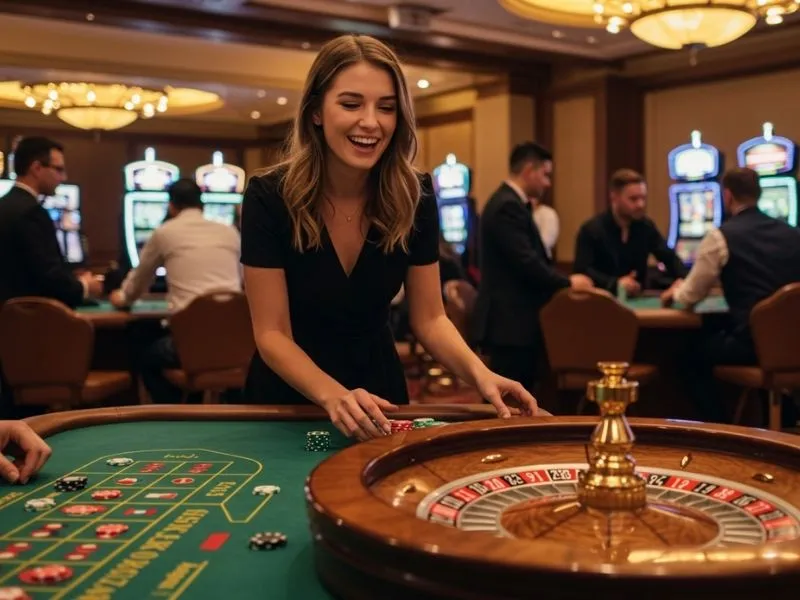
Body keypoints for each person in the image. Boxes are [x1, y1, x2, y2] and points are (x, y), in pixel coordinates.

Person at [240, 34, 539, 441]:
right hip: (290, 398)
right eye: (350, 104)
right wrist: (334, 396)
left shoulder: (415, 196)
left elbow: (431, 318)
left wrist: (481, 375)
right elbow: (271, 333)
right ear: (315, 111)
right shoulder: (268, 196)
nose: (371, 122)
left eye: (386, 108)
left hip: (381, 397)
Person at [661, 167, 800, 423]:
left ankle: (721, 428)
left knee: (685, 358)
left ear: (727, 196)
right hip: (794, 346)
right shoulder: (794, 234)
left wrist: (674, 292)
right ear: (759, 194)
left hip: (752, 345)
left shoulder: (721, 236)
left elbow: (690, 296)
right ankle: (784, 421)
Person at [472, 142, 594, 396]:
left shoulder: (510, 202)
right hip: (509, 322)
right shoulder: (507, 205)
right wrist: (569, 283)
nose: (548, 183)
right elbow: (526, 262)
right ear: (529, 170)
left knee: (516, 397)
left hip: (513, 321)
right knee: (508, 404)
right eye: (545, 174)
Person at [109, 178, 242, 403]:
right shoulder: (230, 232)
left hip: (190, 344)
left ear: (171, 206)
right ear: (202, 204)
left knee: (146, 355)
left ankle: (173, 415)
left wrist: (120, 297)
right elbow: (242, 281)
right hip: (236, 344)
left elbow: (135, 286)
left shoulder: (165, 232)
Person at [0, 136, 102, 308]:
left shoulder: (4, 205)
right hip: (30, 323)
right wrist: (85, 286)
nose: (63, 177)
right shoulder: (32, 212)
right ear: (37, 168)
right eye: (59, 169)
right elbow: (48, 277)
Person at [574, 168, 687, 296]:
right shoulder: (591, 229)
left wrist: (684, 280)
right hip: (600, 302)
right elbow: (582, 271)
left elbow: (669, 258)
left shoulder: (645, 227)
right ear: (614, 197)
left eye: (643, 198)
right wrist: (616, 284)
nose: (640, 204)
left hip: (637, 302)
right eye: (633, 199)